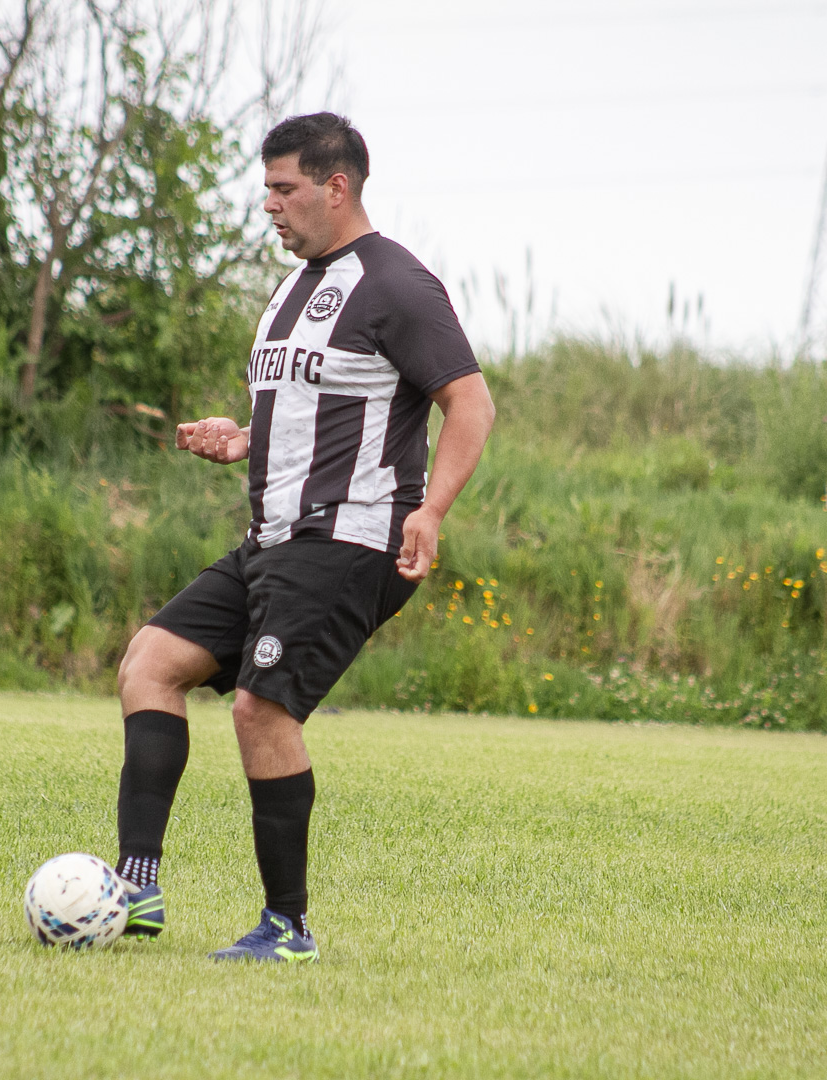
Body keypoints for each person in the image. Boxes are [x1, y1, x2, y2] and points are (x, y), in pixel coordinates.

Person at [111, 113, 496, 961]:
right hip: (273, 537)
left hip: (351, 539)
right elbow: (317, 406)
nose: (270, 206)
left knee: (261, 708)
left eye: (284, 189)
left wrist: (432, 510)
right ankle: (136, 888)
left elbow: (470, 403)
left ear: (336, 186)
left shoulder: (398, 285)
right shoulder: (292, 290)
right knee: (150, 663)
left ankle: (287, 928)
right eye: (267, 190)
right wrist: (244, 437)